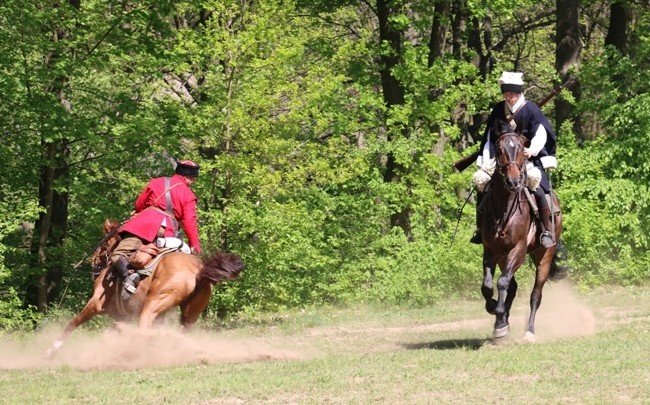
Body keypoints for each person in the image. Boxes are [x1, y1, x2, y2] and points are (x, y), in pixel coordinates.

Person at [470, 71, 557, 248]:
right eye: (506, 94)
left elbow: (540, 134)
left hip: (527, 159)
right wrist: (486, 160)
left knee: (539, 189)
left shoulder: (531, 110)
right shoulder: (498, 110)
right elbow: (489, 137)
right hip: (502, 160)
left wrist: (531, 150)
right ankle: (481, 229)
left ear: (518, 93)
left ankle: (546, 230)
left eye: (511, 94)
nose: (508, 97)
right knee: (482, 186)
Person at [110, 159, 202, 299]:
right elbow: (189, 222)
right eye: (193, 178)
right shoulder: (188, 195)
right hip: (167, 233)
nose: (193, 181)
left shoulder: (156, 182)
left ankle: (129, 277)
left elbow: (139, 205)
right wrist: (194, 244)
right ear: (186, 176)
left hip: (143, 226)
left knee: (118, 254)